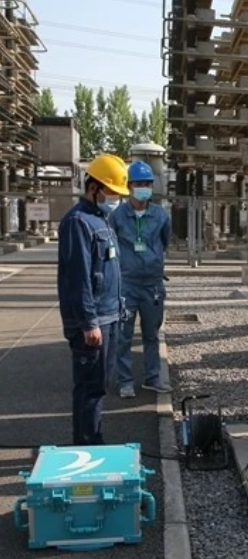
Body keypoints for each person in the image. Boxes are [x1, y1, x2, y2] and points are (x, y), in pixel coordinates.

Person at [57, 153, 129, 445]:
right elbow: (78, 278)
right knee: (89, 390)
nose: (115, 198)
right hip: (93, 321)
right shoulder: (78, 222)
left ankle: (94, 441)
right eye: (112, 191)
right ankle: (87, 448)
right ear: (94, 187)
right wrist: (89, 322)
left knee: (99, 387)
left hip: (109, 316)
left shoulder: (100, 219)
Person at [110, 160, 172, 398]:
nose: (143, 187)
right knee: (123, 335)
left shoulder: (160, 215)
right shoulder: (117, 216)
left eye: (147, 183)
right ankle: (125, 381)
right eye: (138, 183)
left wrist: (152, 260)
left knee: (151, 334)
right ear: (129, 185)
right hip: (126, 284)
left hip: (153, 285)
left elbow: (164, 242)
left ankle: (152, 378)